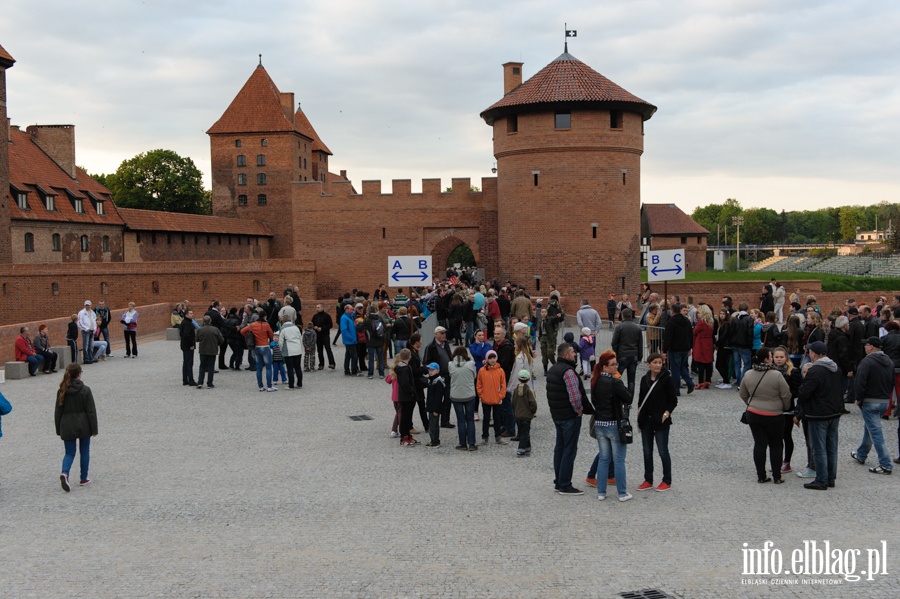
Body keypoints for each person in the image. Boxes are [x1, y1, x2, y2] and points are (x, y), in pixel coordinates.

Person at [796, 341, 844, 490]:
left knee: (819, 448)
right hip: (834, 412)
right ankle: (830, 477)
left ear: (814, 354)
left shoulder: (815, 371)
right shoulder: (836, 368)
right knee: (831, 446)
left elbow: (803, 392)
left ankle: (821, 479)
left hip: (818, 413)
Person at [740, 348, 792, 484]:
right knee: (776, 445)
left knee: (759, 444)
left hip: (754, 413)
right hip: (774, 414)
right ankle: (777, 475)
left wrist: (751, 403)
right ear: (767, 359)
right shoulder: (776, 375)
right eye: (771, 356)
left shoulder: (748, 374)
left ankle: (761, 475)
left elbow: (743, 394)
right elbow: (786, 394)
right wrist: (784, 407)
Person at [547, 342, 592, 496]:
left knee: (559, 448)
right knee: (569, 450)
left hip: (557, 415)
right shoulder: (568, 372)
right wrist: (579, 411)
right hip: (569, 416)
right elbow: (575, 396)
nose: (575, 354)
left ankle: (559, 481)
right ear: (566, 355)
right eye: (573, 352)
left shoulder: (553, 369)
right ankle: (565, 484)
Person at [589, 350, 632, 501]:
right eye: (613, 365)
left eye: (616, 364)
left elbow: (594, 400)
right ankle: (622, 493)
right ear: (605, 367)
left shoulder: (595, 381)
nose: (616, 367)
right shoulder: (615, 382)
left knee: (604, 459)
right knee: (619, 459)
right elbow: (628, 398)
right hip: (614, 423)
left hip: (600, 423)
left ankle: (601, 492)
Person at [849, 337, 894, 474]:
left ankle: (885, 464)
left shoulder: (867, 361)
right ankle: (861, 454)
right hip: (884, 400)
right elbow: (891, 381)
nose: (864, 347)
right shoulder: (889, 362)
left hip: (870, 401)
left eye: (866, 345)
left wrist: (858, 398)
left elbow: (860, 381)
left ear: (872, 347)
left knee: (876, 432)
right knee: (869, 428)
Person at [635, 353, 677, 492]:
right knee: (647, 451)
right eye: (655, 362)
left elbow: (673, 400)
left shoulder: (667, 379)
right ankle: (648, 479)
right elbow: (641, 398)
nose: (658, 365)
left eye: (660, 362)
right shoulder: (644, 379)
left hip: (661, 420)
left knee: (663, 451)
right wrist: (639, 413)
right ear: (649, 364)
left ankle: (667, 480)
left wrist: (667, 413)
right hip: (646, 419)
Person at [55, 364, 98, 492]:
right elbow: (91, 411)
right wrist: (94, 429)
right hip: (83, 424)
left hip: (67, 425)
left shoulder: (62, 390)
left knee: (69, 452)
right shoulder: (85, 390)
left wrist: (59, 429)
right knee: (84, 450)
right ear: (79, 374)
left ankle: (65, 473)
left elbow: (58, 412)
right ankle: (83, 478)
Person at [772, 347, 801, 475]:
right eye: (776, 357)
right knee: (775, 437)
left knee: (786, 436)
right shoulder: (770, 371)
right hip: (773, 408)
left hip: (787, 408)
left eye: (781, 357)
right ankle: (777, 461)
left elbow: (797, 390)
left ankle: (787, 461)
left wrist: (784, 395)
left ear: (786, 358)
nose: (779, 359)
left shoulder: (793, 371)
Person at [448, 347, 478, 451]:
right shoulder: (471, 364)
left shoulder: (450, 365)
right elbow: (474, 376)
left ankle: (462, 444)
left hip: (456, 395)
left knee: (460, 420)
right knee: (470, 420)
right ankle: (472, 443)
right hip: (469, 394)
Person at [423, 325, 454, 428]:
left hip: (447, 375)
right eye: (442, 333)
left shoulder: (446, 345)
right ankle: (435, 420)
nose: (444, 335)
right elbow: (426, 362)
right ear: (436, 335)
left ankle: (445, 421)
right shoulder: (431, 347)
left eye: (444, 333)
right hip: (438, 377)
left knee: (448, 398)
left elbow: (450, 357)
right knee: (437, 399)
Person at [662, 303, 695, 396]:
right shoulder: (686, 321)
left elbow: (668, 337)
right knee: (682, 367)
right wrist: (690, 347)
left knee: (675, 369)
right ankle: (689, 382)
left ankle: (676, 389)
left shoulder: (671, 322)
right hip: (685, 347)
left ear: (672, 311)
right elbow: (690, 335)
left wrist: (664, 350)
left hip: (675, 348)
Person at [476, 350, 507, 445]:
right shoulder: (482, 371)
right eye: (490, 358)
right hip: (486, 399)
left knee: (497, 418)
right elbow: (479, 384)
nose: (492, 360)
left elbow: (503, 384)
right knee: (486, 418)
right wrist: (481, 394)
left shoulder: (500, 370)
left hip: (497, 398)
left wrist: (501, 396)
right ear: (487, 359)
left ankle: (498, 436)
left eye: (494, 358)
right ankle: (485, 436)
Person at [611, 308, 643, 397]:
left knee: (616, 375)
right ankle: (630, 398)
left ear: (622, 316)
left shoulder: (619, 327)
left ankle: (615, 395)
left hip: (622, 354)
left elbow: (614, 342)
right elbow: (640, 344)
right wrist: (640, 357)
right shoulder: (637, 328)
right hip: (634, 355)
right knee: (631, 380)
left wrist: (616, 353)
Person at [242, 310, 277, 391]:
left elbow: (242, 331)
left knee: (259, 368)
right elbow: (271, 335)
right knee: (268, 367)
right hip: (265, 346)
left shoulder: (252, 325)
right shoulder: (266, 324)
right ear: (265, 316)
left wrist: (248, 336)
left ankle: (260, 386)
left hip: (257, 347)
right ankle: (269, 386)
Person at [394, 349, 420, 446]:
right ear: (410, 356)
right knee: (405, 417)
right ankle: (404, 436)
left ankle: (407, 435)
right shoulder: (405, 368)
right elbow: (405, 383)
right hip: (407, 397)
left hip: (404, 396)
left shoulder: (401, 367)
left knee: (407, 417)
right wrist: (412, 391)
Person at [512, 368, 538, 457]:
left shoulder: (515, 390)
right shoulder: (529, 390)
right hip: (526, 415)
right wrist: (533, 411)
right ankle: (521, 449)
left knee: (523, 431)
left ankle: (528, 447)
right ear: (528, 379)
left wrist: (515, 411)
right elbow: (533, 403)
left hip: (518, 415)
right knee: (525, 432)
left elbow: (513, 402)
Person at [195, 315, 224, 389]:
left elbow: (196, 339)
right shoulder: (215, 329)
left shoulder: (199, 330)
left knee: (202, 366)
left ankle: (200, 382)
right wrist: (216, 344)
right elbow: (221, 339)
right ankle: (209, 383)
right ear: (210, 321)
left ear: (203, 321)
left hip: (203, 350)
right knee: (211, 367)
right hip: (213, 350)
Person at [692, 305, 714, 389]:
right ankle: (708, 380)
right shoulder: (711, 321)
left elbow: (695, 331)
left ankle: (700, 381)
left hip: (701, 341)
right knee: (708, 362)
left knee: (700, 362)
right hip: (709, 341)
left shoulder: (701, 322)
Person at [279, 315, 304, 389]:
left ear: (283, 321)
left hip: (288, 350)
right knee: (298, 367)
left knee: (290, 368)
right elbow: (300, 337)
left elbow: (280, 341)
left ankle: (291, 385)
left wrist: (281, 349)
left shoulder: (283, 329)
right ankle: (299, 383)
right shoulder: (296, 327)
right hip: (297, 349)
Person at [425, 362, 445, 448]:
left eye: (432, 370)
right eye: (429, 370)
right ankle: (433, 440)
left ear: (437, 371)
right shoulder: (431, 380)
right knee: (432, 424)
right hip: (430, 406)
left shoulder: (438, 382)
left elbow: (438, 398)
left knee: (434, 425)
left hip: (435, 407)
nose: (430, 371)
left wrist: (436, 409)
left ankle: (435, 441)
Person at [312, 304, 336, 370]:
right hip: (318, 335)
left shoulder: (327, 316)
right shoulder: (315, 316)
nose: (317, 309)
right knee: (320, 350)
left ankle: (332, 363)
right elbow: (312, 324)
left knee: (328, 349)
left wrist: (322, 328)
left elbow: (330, 325)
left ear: (322, 308)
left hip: (325, 334)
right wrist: (314, 327)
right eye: (316, 307)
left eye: (318, 307)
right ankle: (321, 364)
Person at [339, 303, 359, 376]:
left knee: (348, 355)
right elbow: (344, 330)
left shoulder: (350, 317)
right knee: (354, 356)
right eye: (351, 309)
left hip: (351, 340)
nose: (352, 310)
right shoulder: (344, 318)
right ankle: (354, 371)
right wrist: (351, 338)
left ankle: (347, 370)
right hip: (350, 341)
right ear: (346, 309)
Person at [179, 309, 197, 386]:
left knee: (186, 362)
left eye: (192, 313)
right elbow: (187, 335)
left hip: (184, 345)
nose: (192, 314)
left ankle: (185, 379)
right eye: (190, 313)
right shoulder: (187, 323)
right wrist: (191, 344)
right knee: (189, 362)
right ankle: (191, 380)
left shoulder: (185, 322)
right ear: (186, 315)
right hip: (188, 346)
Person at [77, 300, 97, 364]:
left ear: (91, 305)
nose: (87, 306)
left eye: (88, 305)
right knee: (85, 345)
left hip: (91, 330)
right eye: (86, 305)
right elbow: (80, 322)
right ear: (84, 305)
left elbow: (94, 321)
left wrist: (94, 329)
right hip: (86, 331)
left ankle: (90, 358)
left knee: (91, 345)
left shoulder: (93, 313)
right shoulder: (81, 312)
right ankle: (86, 359)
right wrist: (85, 328)